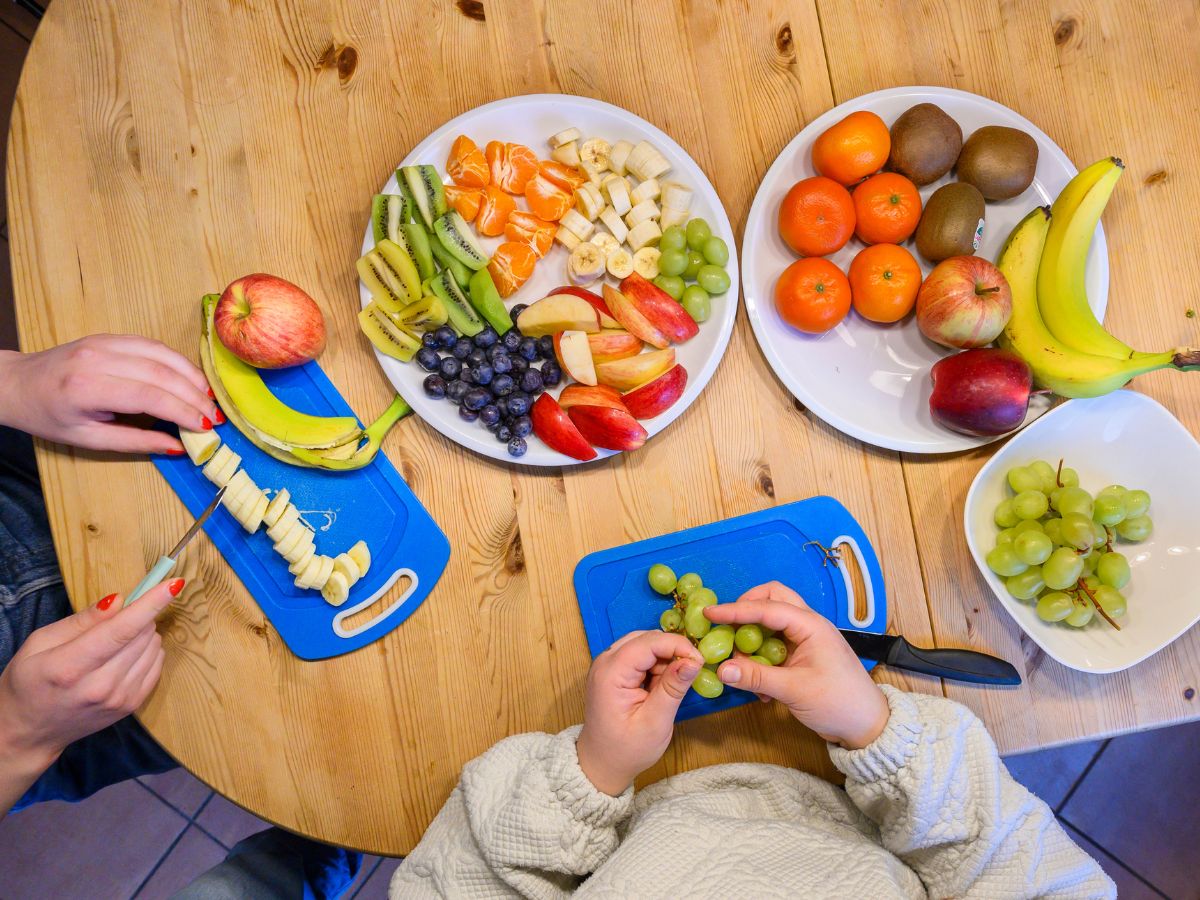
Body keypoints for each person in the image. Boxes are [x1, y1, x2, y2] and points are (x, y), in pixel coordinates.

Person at [390, 581, 1115, 898]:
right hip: (862, 807)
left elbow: (447, 884)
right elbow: (1026, 869)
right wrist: (875, 731)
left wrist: (591, 775)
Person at [0, 334, 221, 812]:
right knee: (225, 720)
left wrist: (9, 382)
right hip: (62, 711)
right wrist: (17, 738)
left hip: (23, 451)